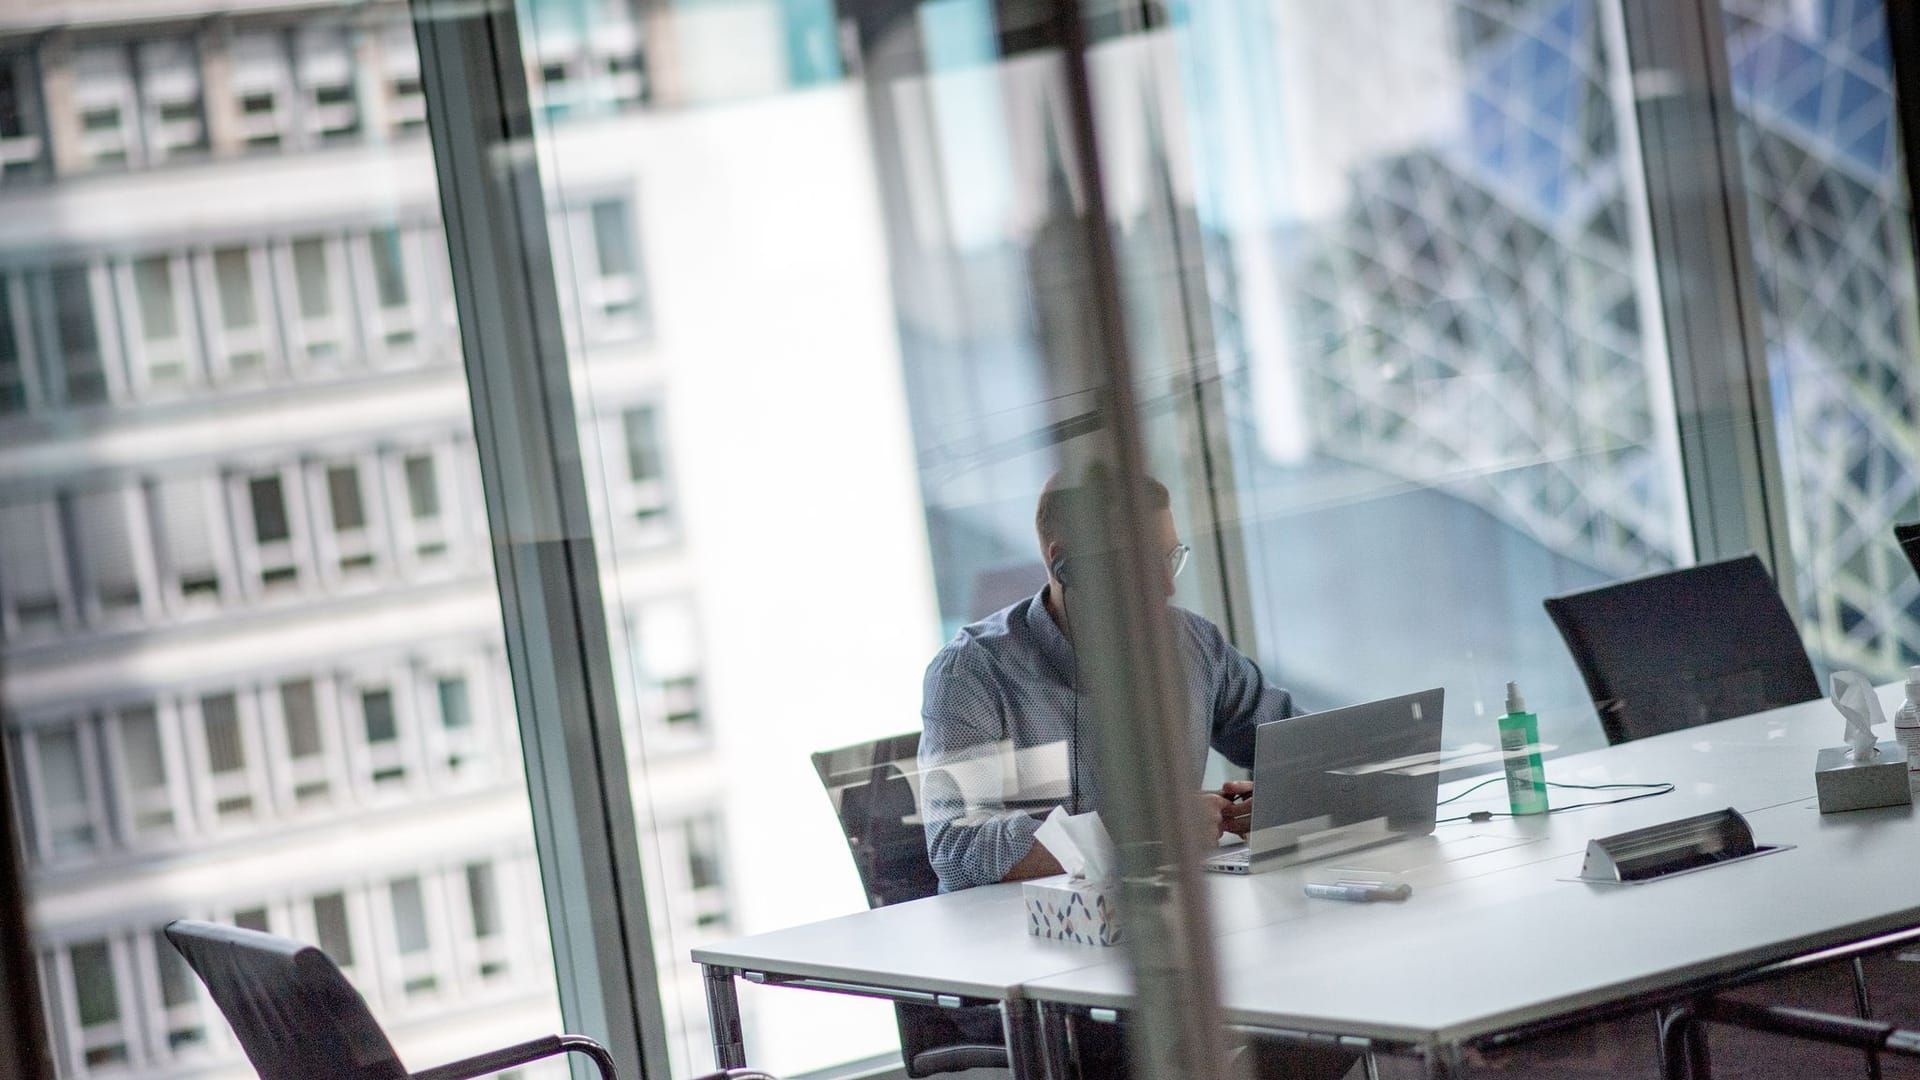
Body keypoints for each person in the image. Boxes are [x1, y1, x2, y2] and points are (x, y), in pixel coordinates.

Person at [918, 469, 1299, 893]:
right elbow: (958, 849)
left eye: (1169, 558)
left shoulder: (1192, 645)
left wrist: (1275, 797)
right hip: (1015, 943)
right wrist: (1146, 829)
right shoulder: (972, 673)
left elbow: (1302, 748)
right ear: (1064, 564)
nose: (1168, 587)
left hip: (1171, 921)